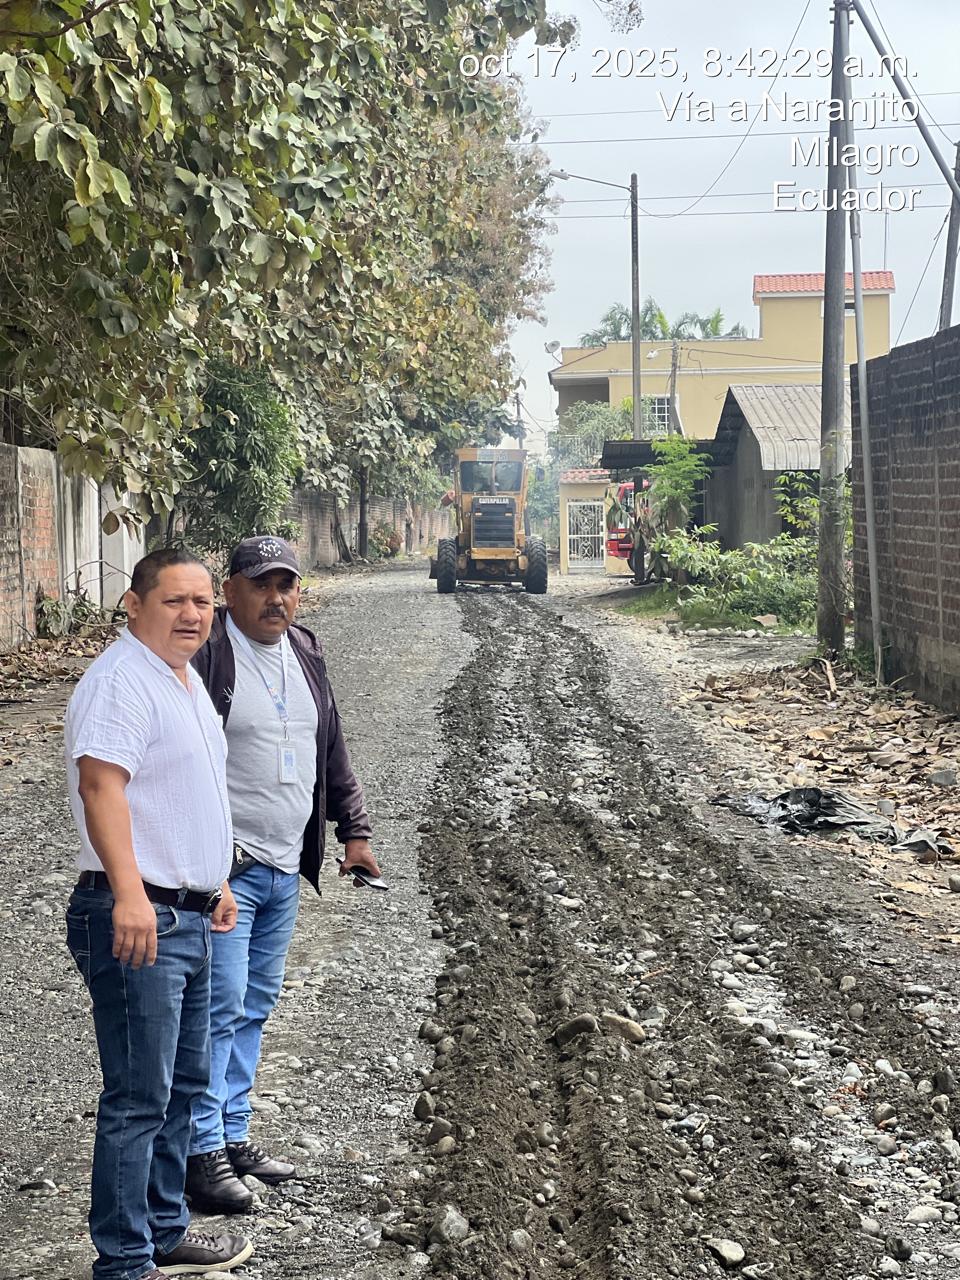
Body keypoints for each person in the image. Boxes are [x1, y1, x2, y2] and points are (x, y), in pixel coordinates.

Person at [64, 547, 253, 1279]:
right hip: (140, 915)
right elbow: (101, 788)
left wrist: (215, 880)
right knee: (140, 1096)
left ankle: (164, 1230)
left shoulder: (183, 678)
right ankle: (123, 1260)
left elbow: (188, 791)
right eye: (175, 600)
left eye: (203, 602)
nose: (192, 615)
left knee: (183, 1086)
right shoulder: (121, 681)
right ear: (135, 605)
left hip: (188, 913)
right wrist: (131, 894)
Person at [186, 536, 378, 1213]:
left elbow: (331, 745)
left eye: (286, 585)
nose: (276, 599)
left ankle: (233, 1134)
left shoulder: (305, 649)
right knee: (219, 1008)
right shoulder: (208, 654)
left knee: (255, 1004)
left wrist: (354, 830)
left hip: (283, 864)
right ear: (230, 591)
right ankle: (200, 1152)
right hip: (226, 868)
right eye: (261, 584)